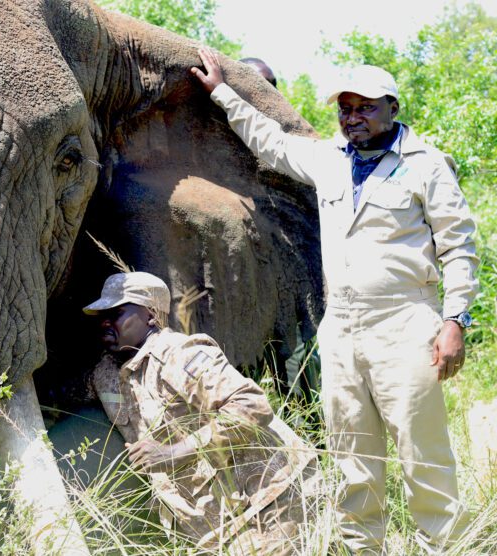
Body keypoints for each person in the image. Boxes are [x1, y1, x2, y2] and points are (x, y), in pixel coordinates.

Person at [191, 47, 478, 553]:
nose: (353, 117)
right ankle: (360, 547)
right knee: (352, 460)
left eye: (365, 107)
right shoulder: (328, 160)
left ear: (392, 106)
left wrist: (454, 320)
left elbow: (458, 246)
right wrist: (222, 93)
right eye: (345, 108)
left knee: (423, 456)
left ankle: (446, 547)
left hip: (406, 325)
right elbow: (271, 143)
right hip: (341, 329)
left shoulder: (425, 166)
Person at [83, 271, 317, 555]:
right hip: (213, 526)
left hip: (269, 503)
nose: (105, 321)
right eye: (101, 315)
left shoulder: (180, 354)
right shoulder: (107, 373)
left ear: (151, 315)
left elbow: (251, 404)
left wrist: (176, 452)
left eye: (117, 312)